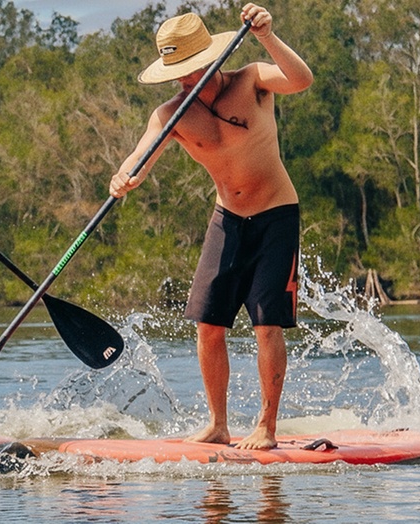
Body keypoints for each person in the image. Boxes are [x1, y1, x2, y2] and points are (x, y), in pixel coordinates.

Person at [109, 4, 313, 449]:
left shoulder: (253, 80)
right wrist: (123, 178)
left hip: (276, 215)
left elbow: (301, 80)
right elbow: (139, 159)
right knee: (208, 325)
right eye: (177, 73)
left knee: (266, 326)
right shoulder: (170, 114)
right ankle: (218, 424)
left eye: (192, 68)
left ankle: (267, 426)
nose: (186, 80)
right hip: (227, 221)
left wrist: (267, 36)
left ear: (211, 58)